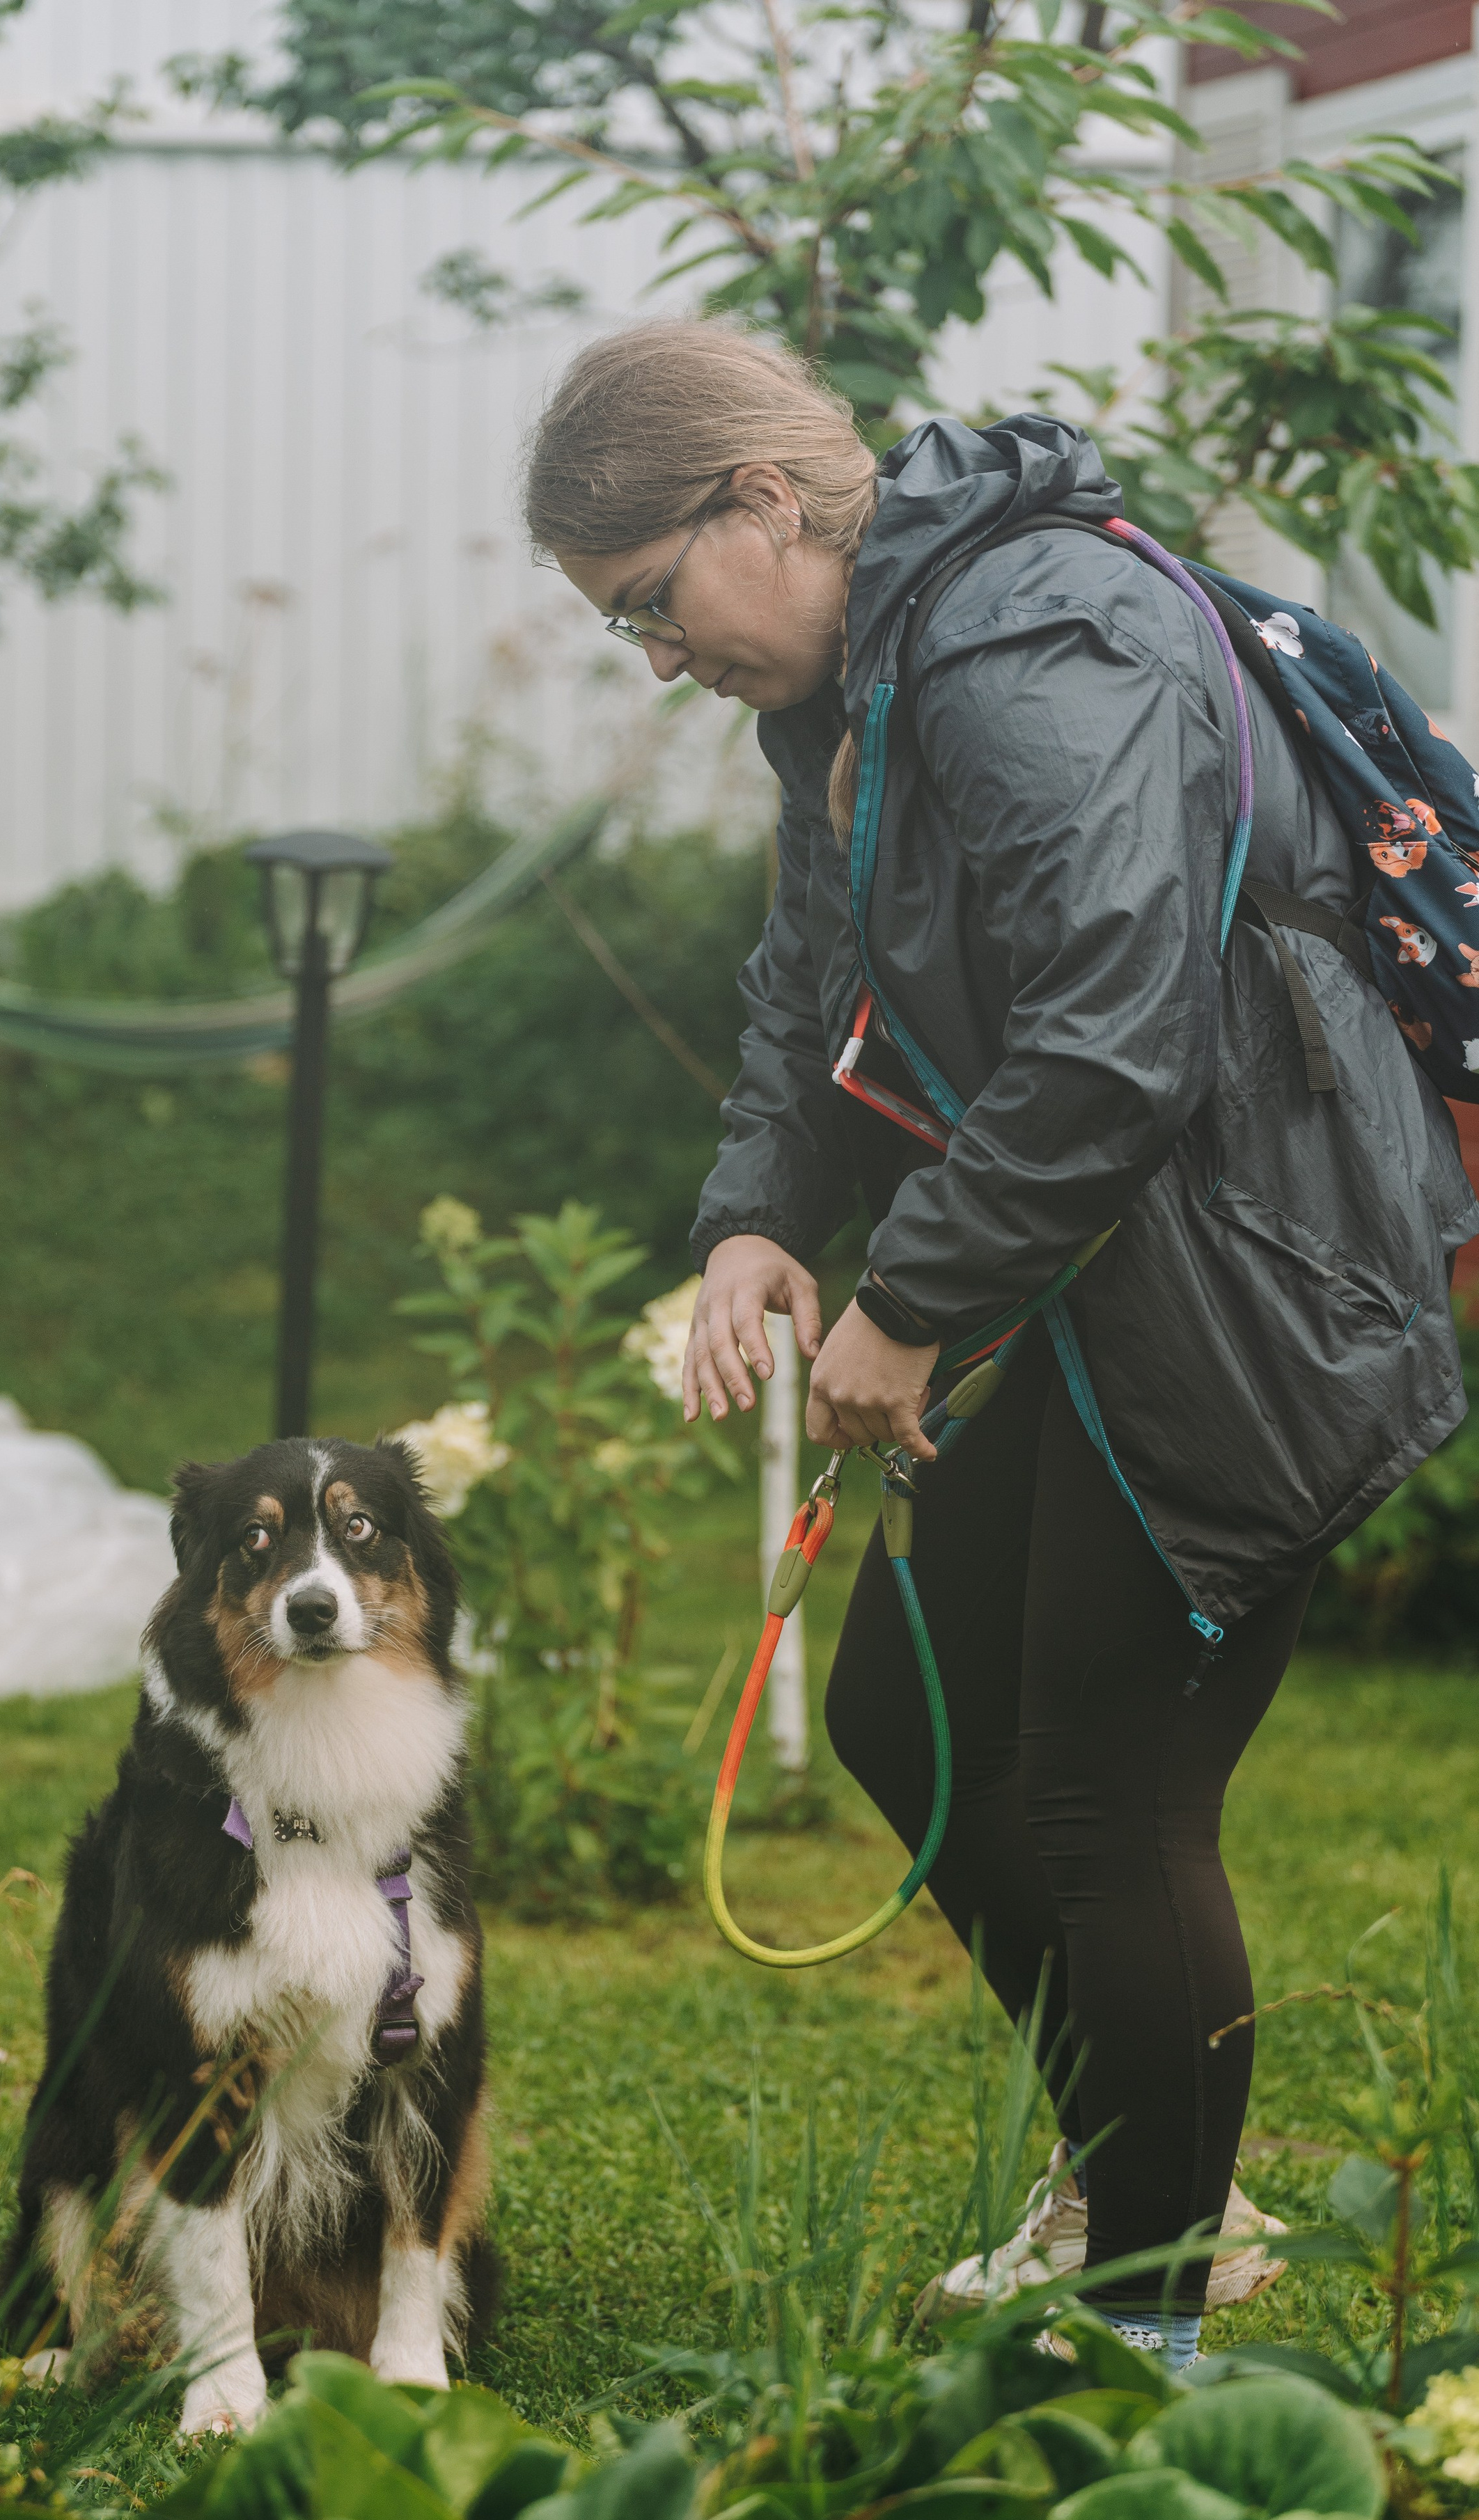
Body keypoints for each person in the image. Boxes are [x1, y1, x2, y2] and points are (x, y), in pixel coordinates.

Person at [522, 316, 1478, 2369]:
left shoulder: (1034, 642)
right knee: (903, 1702)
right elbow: (810, 971)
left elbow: (1114, 1040)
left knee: (1098, 1801)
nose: (660, 659)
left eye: (648, 609)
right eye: (627, 633)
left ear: (759, 507)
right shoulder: (870, 671)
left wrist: (905, 1308)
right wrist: (763, 1217)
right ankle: (1162, 2192)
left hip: (1262, 1279)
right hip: (1127, 1254)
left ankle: (1149, 2336)